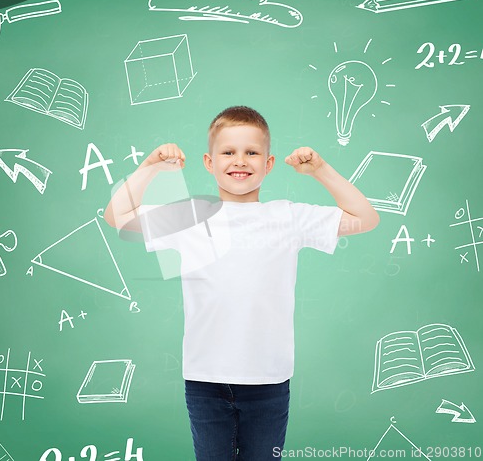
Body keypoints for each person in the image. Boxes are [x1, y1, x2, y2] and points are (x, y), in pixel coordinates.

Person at [104, 105, 379, 461]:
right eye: (228, 152)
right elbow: (118, 216)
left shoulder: (288, 216)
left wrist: (320, 171)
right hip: (205, 380)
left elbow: (366, 218)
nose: (241, 160)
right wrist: (151, 167)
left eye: (252, 152)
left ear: (268, 164)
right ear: (208, 161)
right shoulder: (190, 215)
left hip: (268, 380)